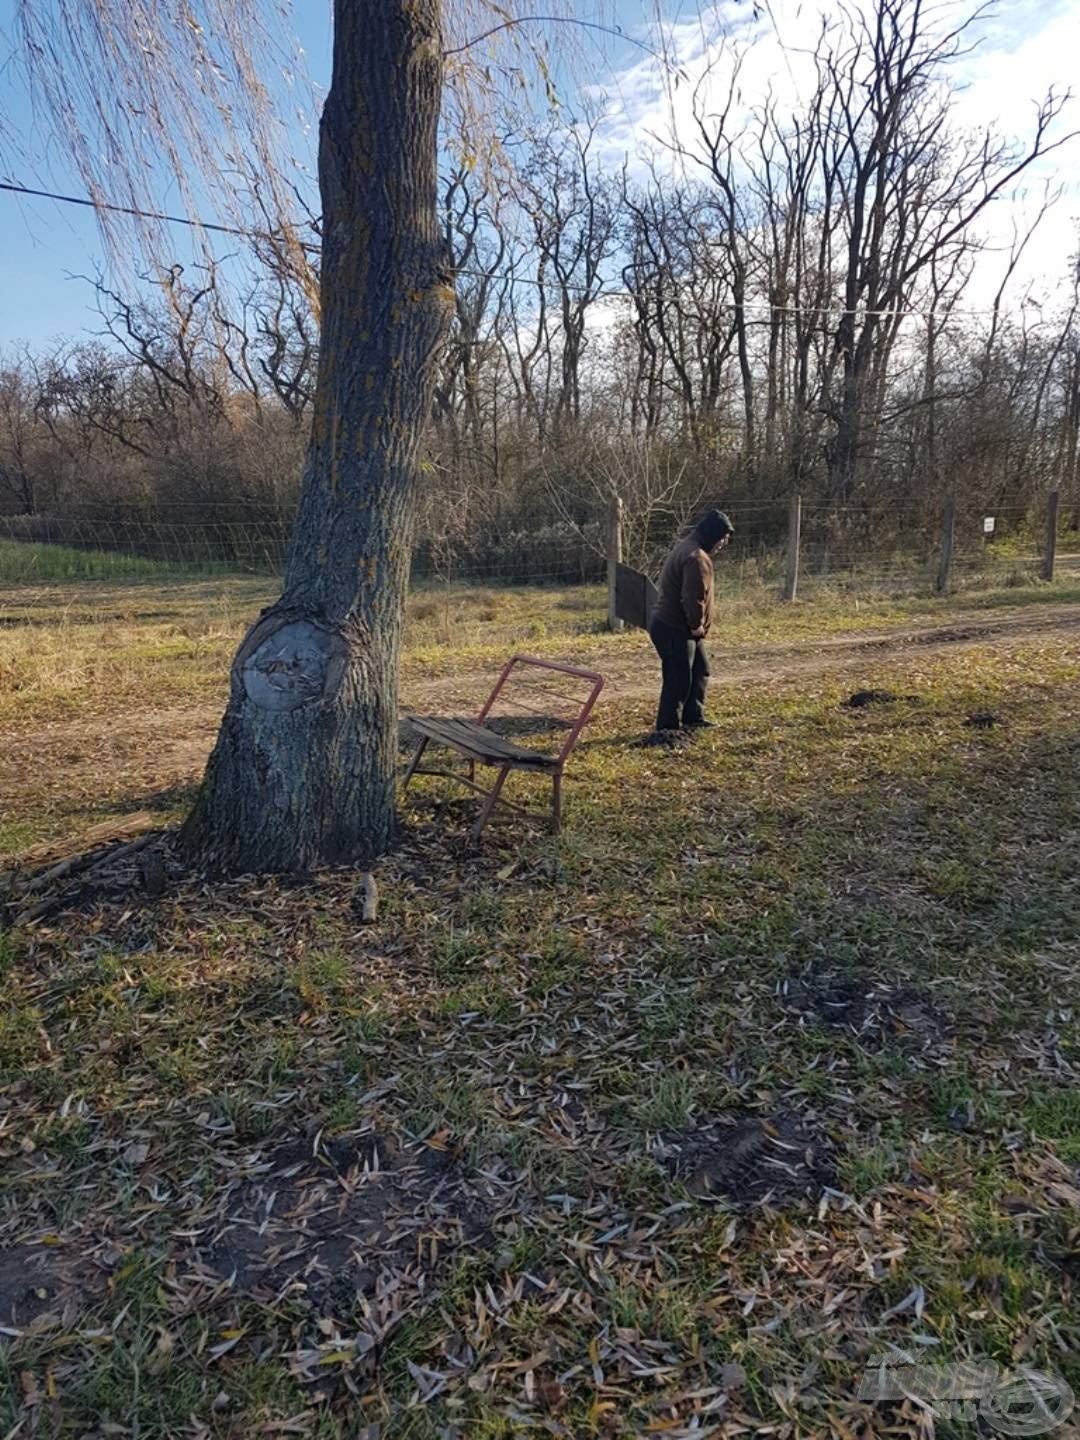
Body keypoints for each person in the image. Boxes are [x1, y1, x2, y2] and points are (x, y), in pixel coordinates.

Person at [649, 509, 733, 732]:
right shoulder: (696, 557)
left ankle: (692, 718)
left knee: (699, 669)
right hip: (675, 627)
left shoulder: (688, 547)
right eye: (723, 537)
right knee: (678, 679)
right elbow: (692, 596)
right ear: (712, 534)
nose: (725, 542)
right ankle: (667, 729)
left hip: (675, 625)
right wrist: (696, 624)